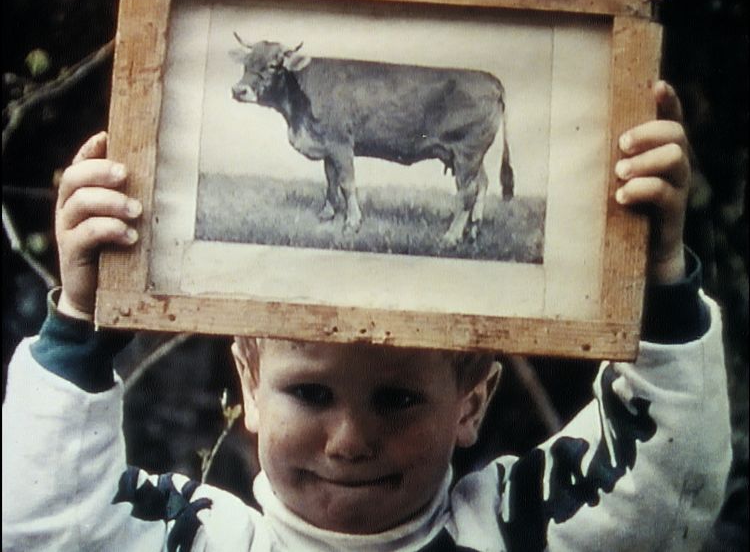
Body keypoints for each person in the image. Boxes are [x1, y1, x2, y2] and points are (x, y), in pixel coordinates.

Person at [2, 81, 732, 551]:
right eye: (310, 392)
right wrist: (80, 324)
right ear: (251, 384)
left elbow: (660, 499)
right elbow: (42, 521)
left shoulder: (514, 528)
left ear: (472, 399)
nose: (351, 440)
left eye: (398, 397)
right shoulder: (198, 537)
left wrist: (658, 282)